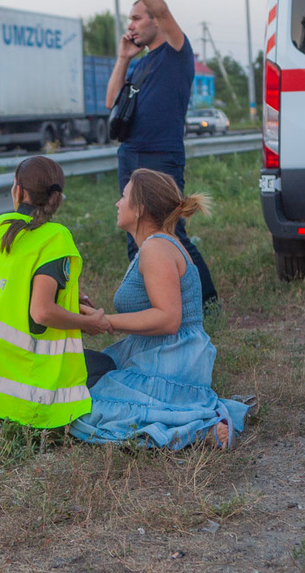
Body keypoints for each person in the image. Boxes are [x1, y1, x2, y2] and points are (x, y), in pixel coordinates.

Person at [0, 156, 114, 428]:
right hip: (17, 384)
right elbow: (42, 312)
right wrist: (89, 323)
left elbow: (1, 287)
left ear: (18, 190)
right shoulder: (54, 238)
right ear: (58, 198)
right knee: (106, 365)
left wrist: (69, 297)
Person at [70, 169, 249, 449]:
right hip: (158, 353)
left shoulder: (156, 249)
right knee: (81, 382)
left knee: (81, 409)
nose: (118, 203)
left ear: (140, 208)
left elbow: (168, 319)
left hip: (170, 360)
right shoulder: (156, 245)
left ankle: (202, 429)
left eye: (123, 196)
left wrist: (106, 322)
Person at [106, 0, 218, 308]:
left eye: (137, 18)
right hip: (130, 153)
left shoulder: (176, 52)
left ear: (155, 20)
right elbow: (111, 102)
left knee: (170, 231)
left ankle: (207, 304)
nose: (131, 25)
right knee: (135, 233)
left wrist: (156, 10)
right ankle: (151, 306)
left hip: (160, 156)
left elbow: (162, 9)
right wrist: (123, 57)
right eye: (129, 19)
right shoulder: (140, 63)